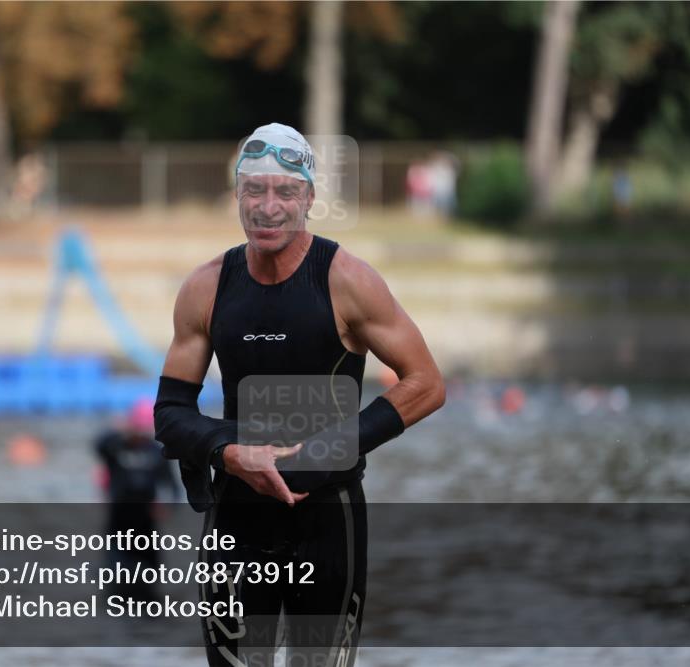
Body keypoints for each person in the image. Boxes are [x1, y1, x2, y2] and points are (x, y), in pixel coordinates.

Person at [154, 123, 445, 666]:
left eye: (285, 191)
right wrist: (229, 450)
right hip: (236, 520)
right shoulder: (206, 287)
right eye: (254, 190)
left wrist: (325, 450)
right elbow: (169, 415)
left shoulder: (347, 280)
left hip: (328, 520)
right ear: (237, 195)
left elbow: (426, 383)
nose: (268, 207)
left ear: (309, 198)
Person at [94, 397, 181, 598]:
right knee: (116, 576)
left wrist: (168, 507)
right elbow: (98, 445)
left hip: (145, 522)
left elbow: (172, 486)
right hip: (119, 520)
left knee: (150, 577)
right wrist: (118, 430)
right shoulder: (115, 447)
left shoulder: (155, 452)